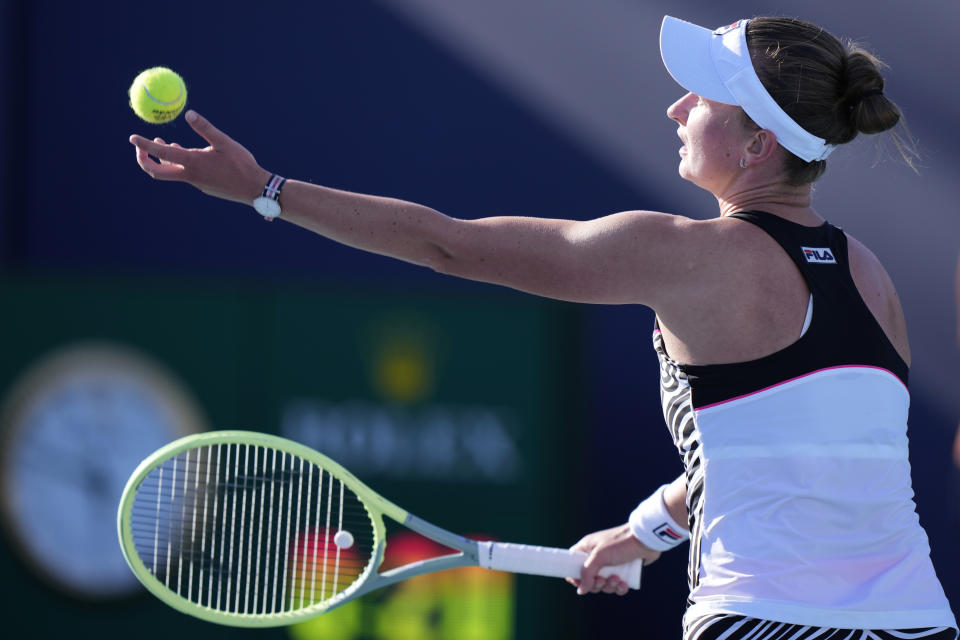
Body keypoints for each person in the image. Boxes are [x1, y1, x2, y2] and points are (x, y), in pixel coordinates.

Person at [129, 14, 957, 640]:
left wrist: (265, 190)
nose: (675, 107)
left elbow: (447, 244)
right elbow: (799, 462)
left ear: (754, 146)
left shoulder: (681, 254)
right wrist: (644, 533)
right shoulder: (870, 276)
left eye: (702, 96)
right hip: (921, 620)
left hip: (759, 619)